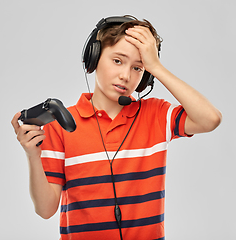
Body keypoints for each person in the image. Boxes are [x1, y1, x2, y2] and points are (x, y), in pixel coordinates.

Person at [11, 15, 222, 240]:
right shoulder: (62, 124)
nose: (125, 76)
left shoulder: (156, 114)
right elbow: (45, 210)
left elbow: (210, 119)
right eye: (118, 61)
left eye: (138, 68)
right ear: (93, 59)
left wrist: (156, 67)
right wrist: (33, 156)